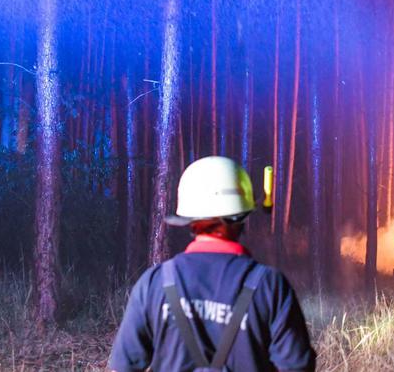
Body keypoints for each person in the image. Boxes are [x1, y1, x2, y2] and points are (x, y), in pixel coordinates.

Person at [109, 156, 316, 372]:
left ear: (190, 220)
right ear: (241, 217)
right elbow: (297, 367)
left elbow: (122, 367)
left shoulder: (154, 283)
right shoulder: (270, 287)